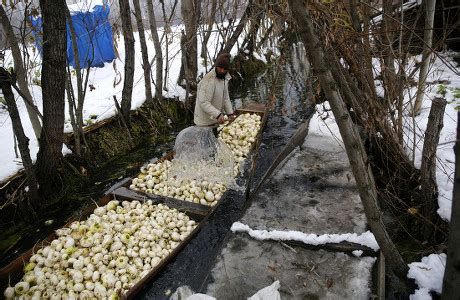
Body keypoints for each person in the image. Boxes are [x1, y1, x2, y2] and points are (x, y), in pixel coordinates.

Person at [194, 53, 235, 130]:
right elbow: (204, 102)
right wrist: (218, 115)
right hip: (204, 123)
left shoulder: (224, 79)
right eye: (220, 68)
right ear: (216, 66)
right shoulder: (208, 80)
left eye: (224, 69)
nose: (222, 71)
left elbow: (225, 98)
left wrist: (230, 113)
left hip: (214, 120)